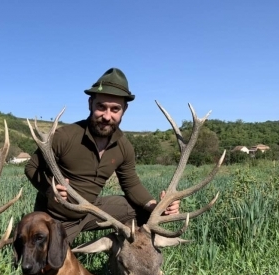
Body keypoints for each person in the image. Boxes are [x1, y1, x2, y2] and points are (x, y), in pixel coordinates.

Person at [25, 67, 179, 244]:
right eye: (101, 107)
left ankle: (126, 260)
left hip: (90, 212)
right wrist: (48, 189)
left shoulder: (124, 146)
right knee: (45, 264)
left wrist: (158, 207)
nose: (107, 116)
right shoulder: (65, 136)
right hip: (54, 217)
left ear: (124, 110)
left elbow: (131, 184)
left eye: (115, 109)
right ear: (90, 104)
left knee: (146, 212)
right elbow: (31, 167)